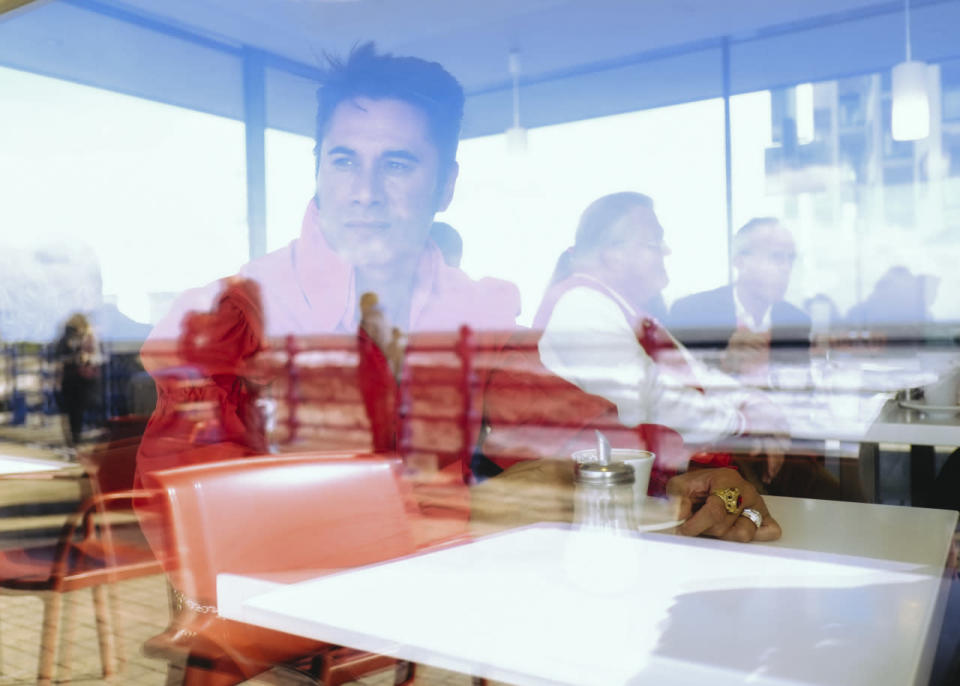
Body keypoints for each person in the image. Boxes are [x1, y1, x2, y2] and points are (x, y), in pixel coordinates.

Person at [136, 44, 520, 484]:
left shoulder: (479, 311)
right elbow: (198, 520)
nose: (364, 191)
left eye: (396, 164)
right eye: (344, 161)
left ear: (446, 185)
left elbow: (570, 448)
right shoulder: (237, 318)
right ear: (318, 169)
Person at [482, 193, 782, 542]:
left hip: (663, 484)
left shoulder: (629, 311)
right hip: (621, 504)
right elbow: (650, 398)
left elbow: (701, 375)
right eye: (654, 242)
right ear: (613, 252)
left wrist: (760, 407)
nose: (665, 251)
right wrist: (745, 422)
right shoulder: (581, 304)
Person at [669, 217, 810, 385]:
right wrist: (725, 366)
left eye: (790, 259)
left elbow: (800, 392)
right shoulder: (692, 313)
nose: (786, 268)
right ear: (740, 262)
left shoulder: (796, 320)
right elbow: (677, 387)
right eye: (776, 257)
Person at [55, 313, 102, 446]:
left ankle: (77, 437)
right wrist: (75, 358)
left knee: (78, 411)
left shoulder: (90, 338)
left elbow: (98, 357)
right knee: (73, 411)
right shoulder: (66, 339)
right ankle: (75, 439)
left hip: (84, 380)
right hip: (73, 380)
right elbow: (60, 357)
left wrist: (88, 358)